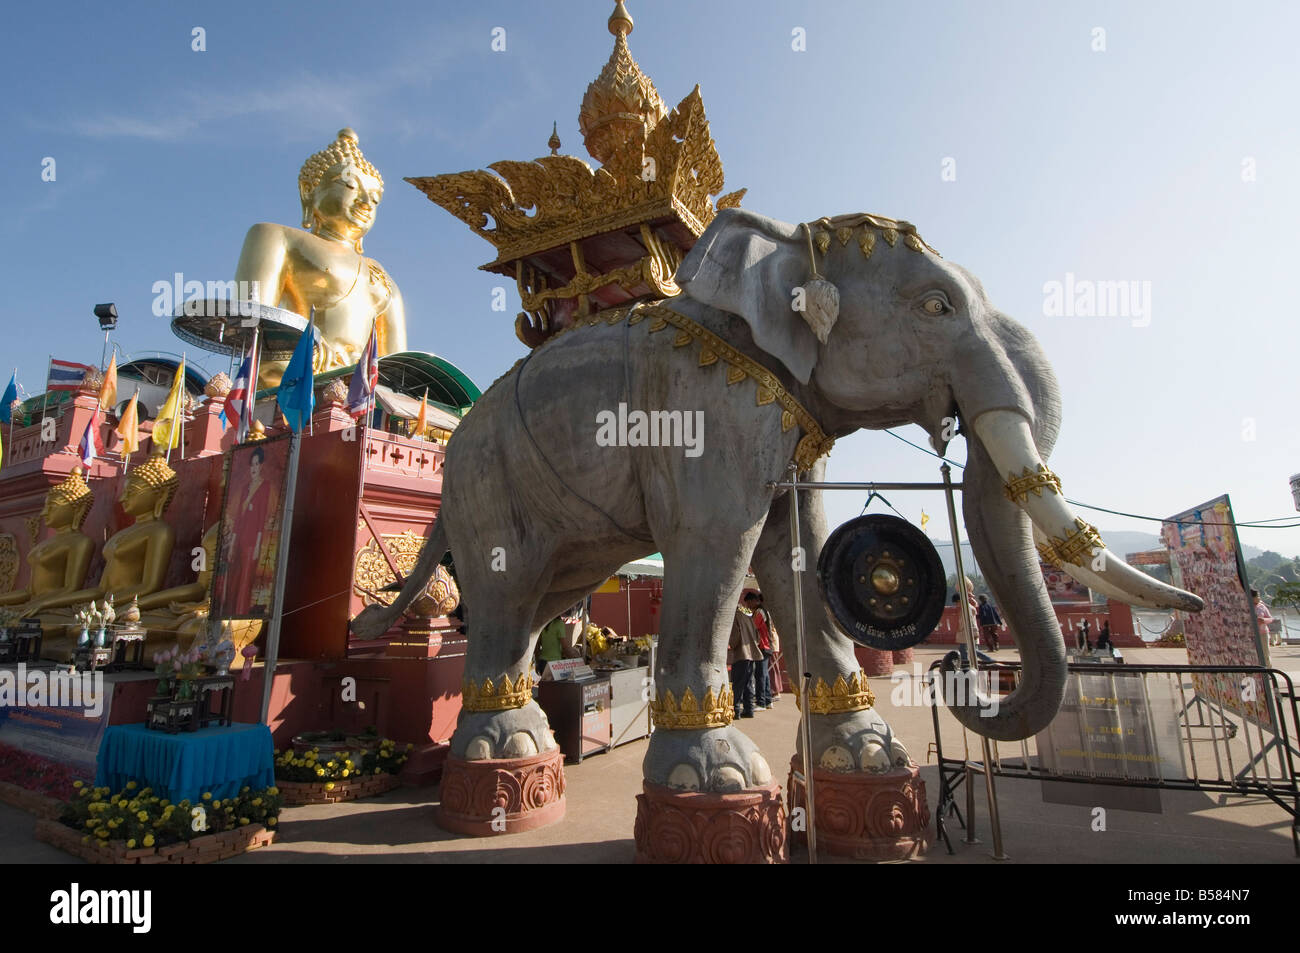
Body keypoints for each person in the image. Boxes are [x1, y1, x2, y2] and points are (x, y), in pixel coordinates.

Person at [728, 602, 763, 718]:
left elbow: (735, 637)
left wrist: (731, 645)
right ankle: (749, 709)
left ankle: (735, 710)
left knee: (737, 684)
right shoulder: (748, 617)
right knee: (748, 683)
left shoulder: (734, 617)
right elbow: (757, 636)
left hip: (741, 654)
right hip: (751, 654)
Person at [752, 591, 783, 701]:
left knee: (771, 669)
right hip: (770, 643)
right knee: (767, 670)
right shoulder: (766, 611)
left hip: (770, 643)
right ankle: (770, 693)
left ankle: (775, 691)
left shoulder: (764, 612)